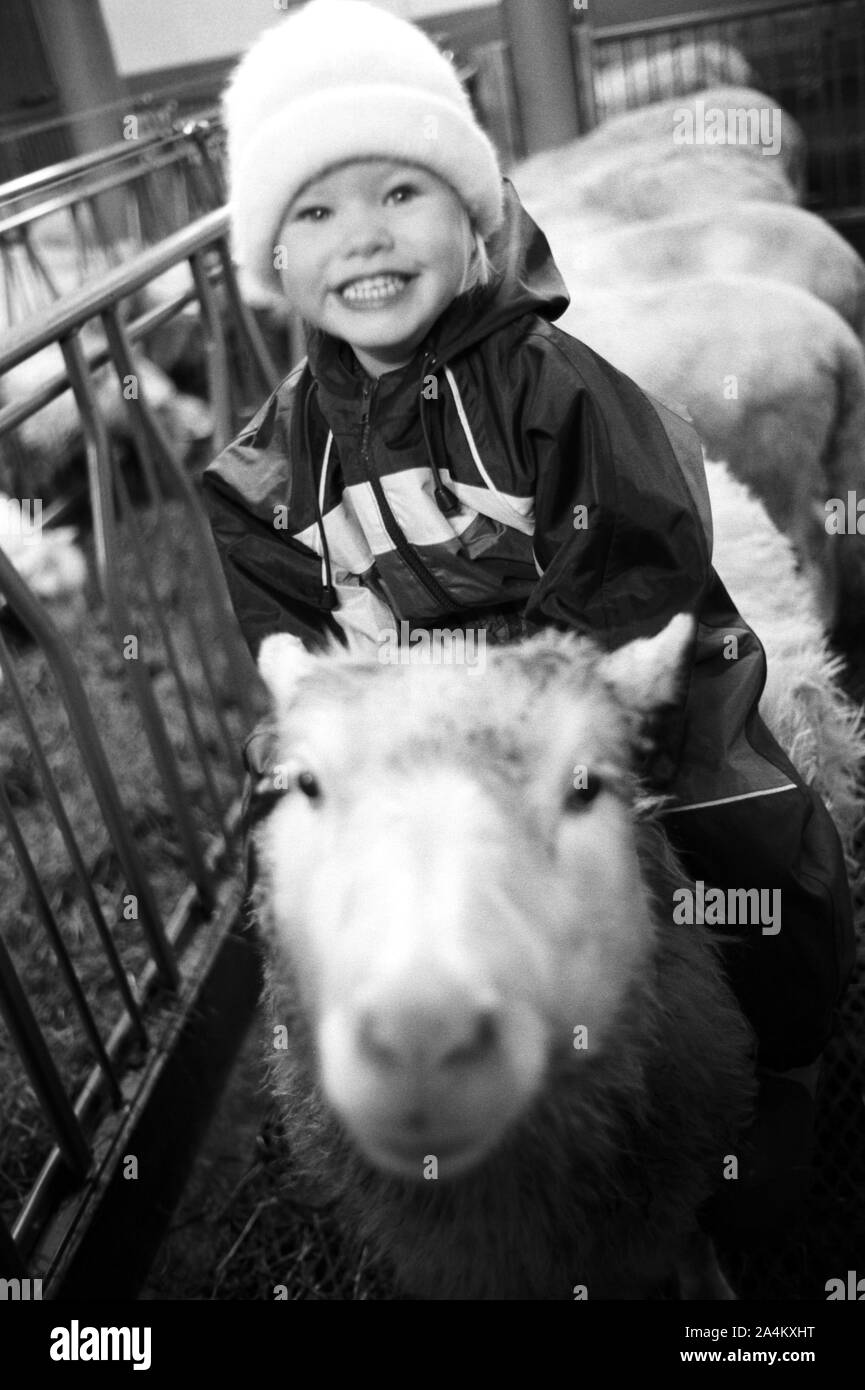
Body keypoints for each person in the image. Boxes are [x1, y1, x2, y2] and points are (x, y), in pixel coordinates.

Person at [202, 0, 854, 1225]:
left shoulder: (561, 389)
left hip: (590, 690)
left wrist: (529, 682)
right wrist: (336, 718)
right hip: (419, 741)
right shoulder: (255, 469)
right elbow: (289, 640)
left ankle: (789, 1059)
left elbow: (645, 557)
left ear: (473, 212)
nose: (364, 239)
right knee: (305, 875)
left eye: (402, 192)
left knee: (757, 827)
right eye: (315, 210)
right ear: (272, 259)